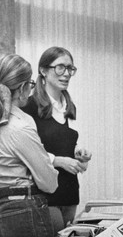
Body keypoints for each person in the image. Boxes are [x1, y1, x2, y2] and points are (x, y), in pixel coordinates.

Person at [0, 53, 62, 237]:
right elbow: (49, 183)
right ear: (22, 88)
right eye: (30, 84)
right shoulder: (19, 127)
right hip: (26, 215)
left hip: (1, 213)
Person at [23, 47, 91, 226]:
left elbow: (64, 141)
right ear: (43, 70)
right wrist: (59, 161)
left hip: (69, 193)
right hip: (44, 196)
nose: (66, 74)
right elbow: (26, 153)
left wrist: (78, 152)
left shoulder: (69, 106)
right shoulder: (29, 107)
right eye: (60, 67)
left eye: (70, 69)